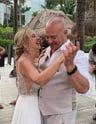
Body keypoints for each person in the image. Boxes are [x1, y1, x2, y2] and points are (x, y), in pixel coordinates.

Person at [38, 16, 93, 124]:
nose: (49, 41)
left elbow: (85, 89)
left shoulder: (77, 55)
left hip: (61, 115)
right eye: (47, 37)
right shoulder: (46, 51)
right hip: (40, 111)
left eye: (53, 37)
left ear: (65, 32)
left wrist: (71, 66)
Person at [11, 28, 65, 124]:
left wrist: (39, 61)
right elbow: (39, 80)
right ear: (25, 44)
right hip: (29, 108)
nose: (39, 38)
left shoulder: (28, 60)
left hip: (31, 104)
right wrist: (59, 60)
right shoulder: (24, 61)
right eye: (33, 36)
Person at [88, 43, 96, 121]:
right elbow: (90, 61)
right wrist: (91, 67)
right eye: (94, 53)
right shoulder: (91, 51)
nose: (94, 54)